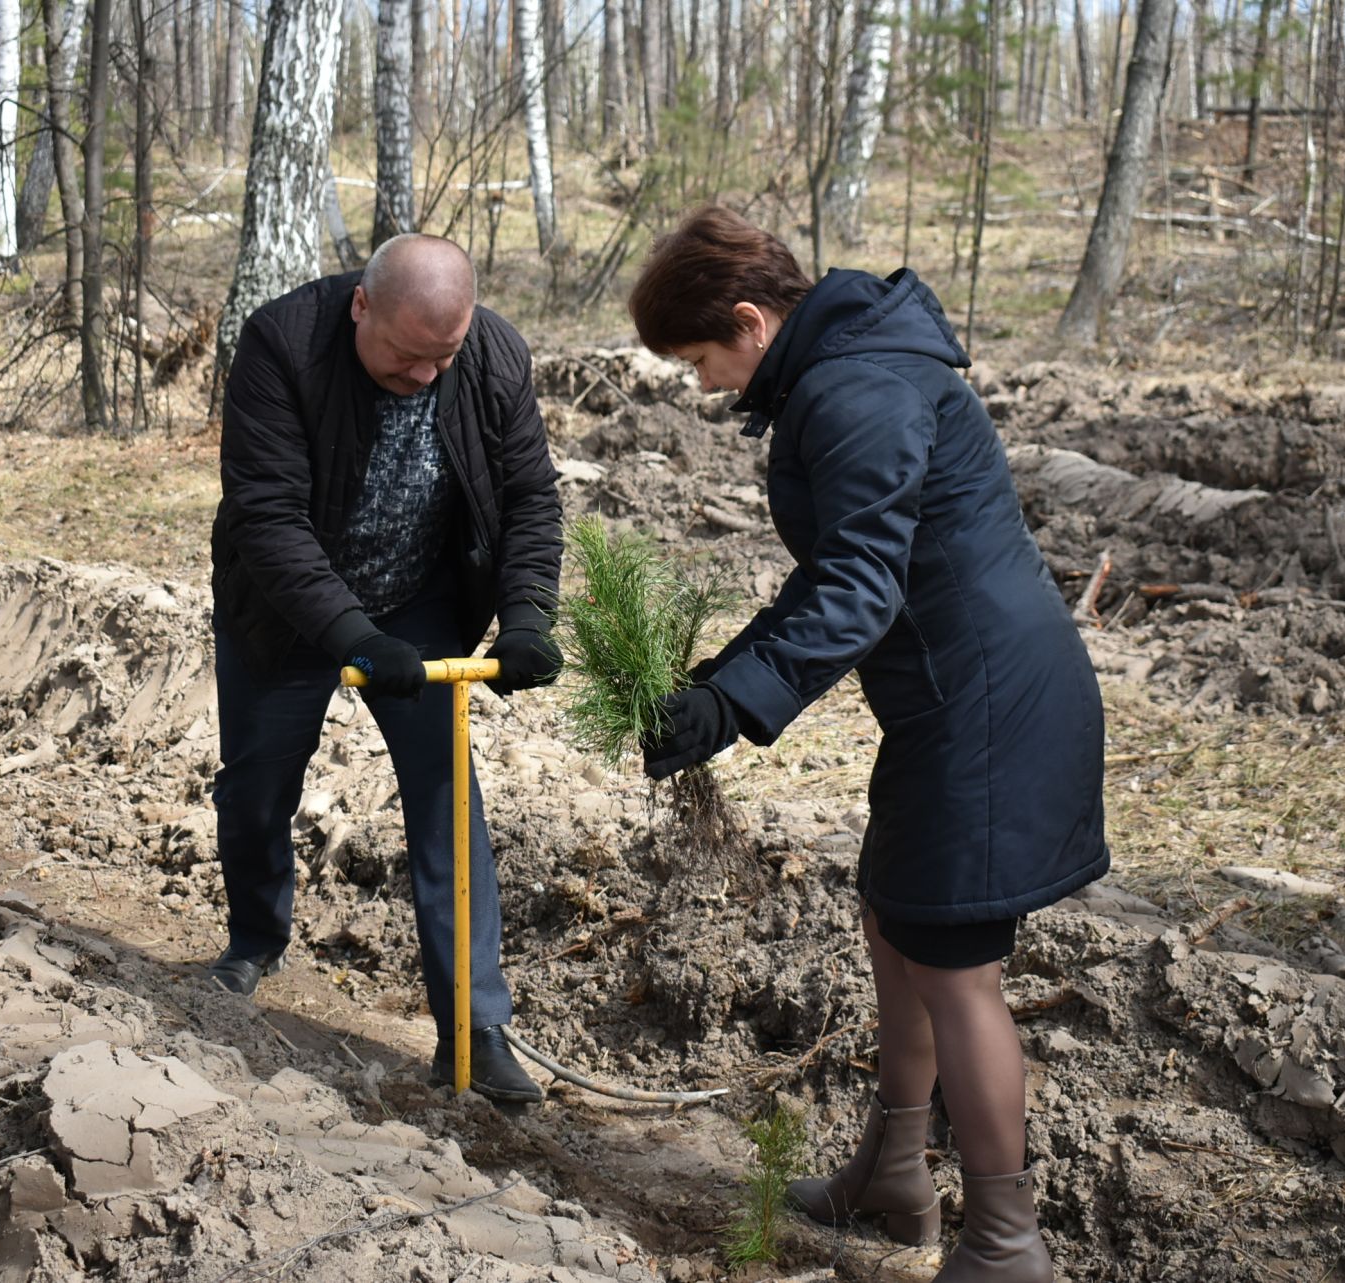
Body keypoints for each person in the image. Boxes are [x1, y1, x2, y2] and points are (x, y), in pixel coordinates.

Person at [628, 208, 1108, 1282]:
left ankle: (1004, 1244)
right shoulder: (847, 367)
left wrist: (735, 707)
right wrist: (719, 685)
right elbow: (834, 572)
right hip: (950, 700)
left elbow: (857, 587)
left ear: (750, 323)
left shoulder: (856, 388)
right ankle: (896, 1171)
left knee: (956, 966)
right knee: (897, 917)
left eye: (701, 360)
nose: (705, 386)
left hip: (987, 707)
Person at [208, 234, 563, 1104]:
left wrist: (524, 614)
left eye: (443, 356)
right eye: (407, 357)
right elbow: (267, 519)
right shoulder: (282, 345)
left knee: (448, 800)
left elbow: (528, 496)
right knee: (257, 785)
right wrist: (353, 636)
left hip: (421, 599)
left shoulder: (491, 354)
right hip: (290, 605)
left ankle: (473, 1026)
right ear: (362, 307)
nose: (427, 376)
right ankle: (255, 939)